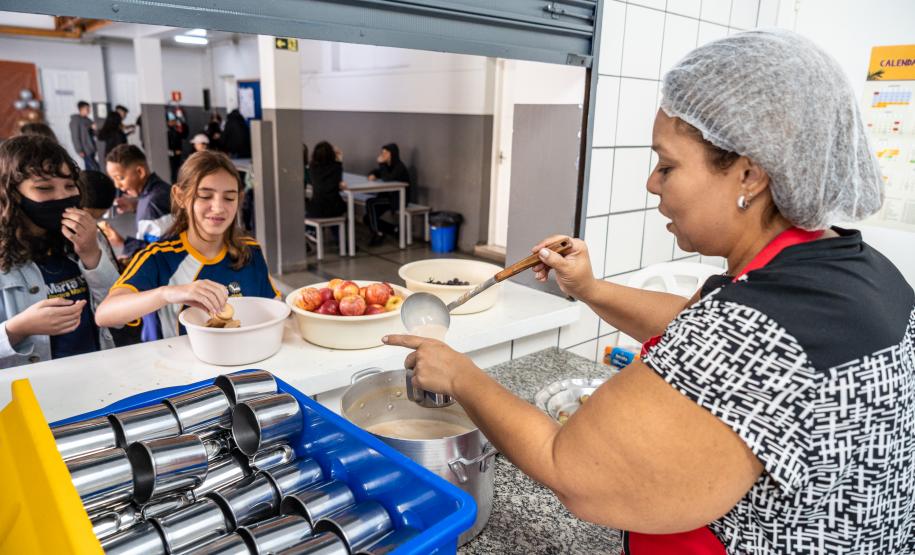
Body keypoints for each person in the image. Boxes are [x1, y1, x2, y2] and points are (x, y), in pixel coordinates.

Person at [383, 30, 914, 554]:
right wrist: (589, 289)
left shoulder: (750, 331)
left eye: (668, 165)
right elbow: (696, 325)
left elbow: (574, 469)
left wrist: (460, 374)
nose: (652, 184)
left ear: (749, 175)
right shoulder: (859, 273)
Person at [95, 151, 281, 341]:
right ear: (180, 196)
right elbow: (104, 315)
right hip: (179, 368)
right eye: (205, 196)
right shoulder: (159, 257)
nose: (218, 207)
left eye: (229, 198)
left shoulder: (250, 250)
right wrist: (168, 293)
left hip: (248, 360)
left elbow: (274, 309)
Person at [0, 136, 120, 368]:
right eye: (44, 188)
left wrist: (91, 254)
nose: (62, 197)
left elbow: (118, 318)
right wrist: (18, 328)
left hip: (99, 374)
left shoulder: (86, 237)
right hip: (33, 389)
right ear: (11, 194)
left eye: (69, 185)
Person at [77, 170, 143, 347]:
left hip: (113, 318)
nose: (93, 224)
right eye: (91, 216)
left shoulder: (96, 234)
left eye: (97, 218)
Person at [103, 145, 173, 263]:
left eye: (120, 178)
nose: (117, 185)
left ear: (140, 172)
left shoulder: (152, 204)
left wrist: (123, 243)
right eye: (113, 179)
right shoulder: (158, 191)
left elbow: (160, 252)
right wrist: (136, 206)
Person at [364, 143, 410, 246]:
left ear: (392, 154)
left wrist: (381, 164)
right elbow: (378, 172)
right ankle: (394, 229)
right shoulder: (387, 165)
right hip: (387, 197)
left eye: (386, 153)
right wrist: (373, 174)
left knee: (370, 203)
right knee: (367, 218)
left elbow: (387, 179)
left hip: (398, 199)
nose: (383, 155)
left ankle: (378, 233)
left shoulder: (399, 166)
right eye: (382, 152)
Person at [306, 141, 346, 219]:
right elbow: (338, 183)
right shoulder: (336, 167)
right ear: (332, 154)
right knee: (340, 207)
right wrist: (340, 160)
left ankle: (313, 231)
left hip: (316, 208)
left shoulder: (312, 167)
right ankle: (337, 231)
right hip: (333, 208)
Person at [69, 101, 99, 171]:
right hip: (85, 150)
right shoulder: (75, 121)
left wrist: (94, 128)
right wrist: (79, 150)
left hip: (91, 148)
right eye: (87, 108)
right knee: (95, 168)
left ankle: (89, 181)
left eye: (89, 108)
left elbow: (94, 134)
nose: (89, 110)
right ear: (81, 109)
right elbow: (75, 136)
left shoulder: (88, 120)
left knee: (90, 169)